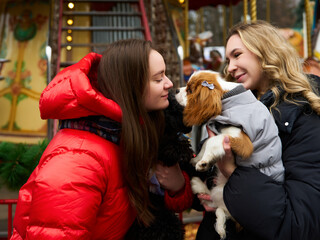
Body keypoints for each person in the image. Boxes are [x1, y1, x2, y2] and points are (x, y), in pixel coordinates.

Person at [10, 39, 193, 239]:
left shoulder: (126, 134)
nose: (170, 83)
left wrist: (177, 186)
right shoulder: (78, 159)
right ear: (131, 87)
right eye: (158, 79)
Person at [195, 20, 320, 239]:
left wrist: (232, 173)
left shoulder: (298, 117)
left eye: (237, 55)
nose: (230, 67)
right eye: (228, 59)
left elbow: (303, 221)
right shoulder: (234, 112)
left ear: (263, 52)